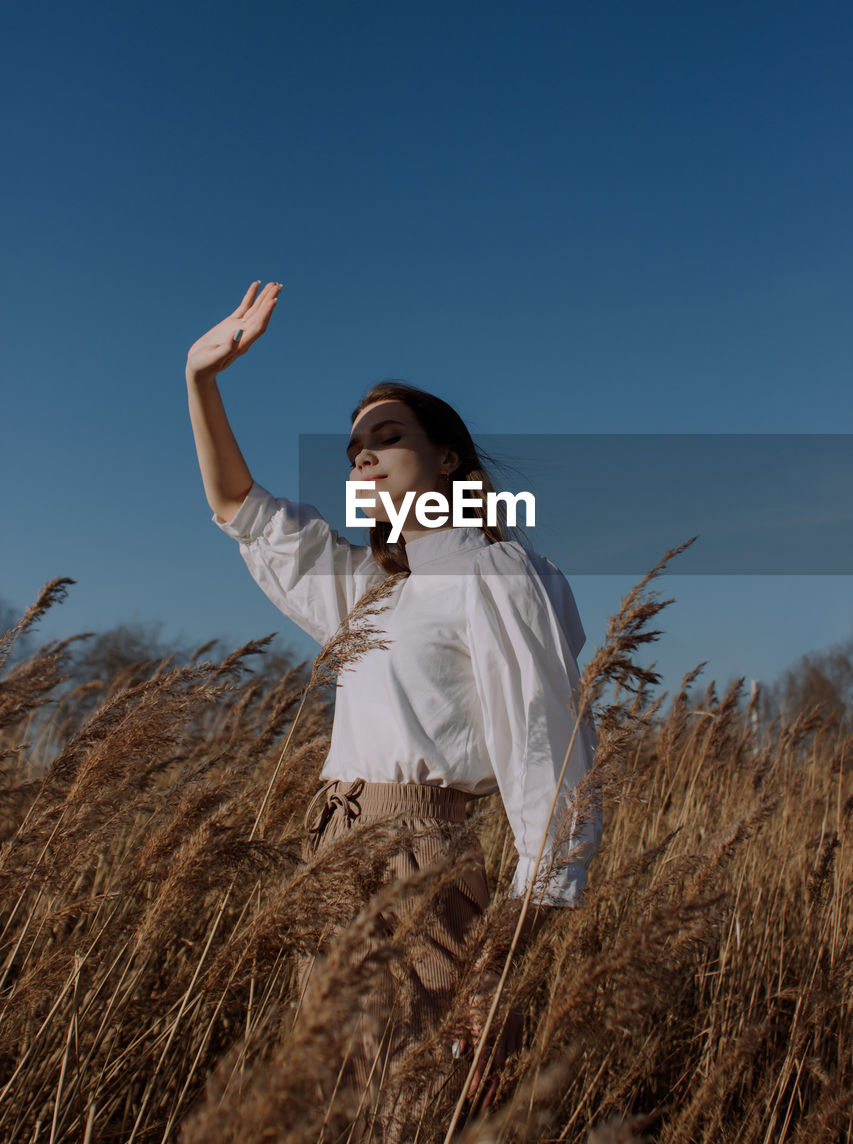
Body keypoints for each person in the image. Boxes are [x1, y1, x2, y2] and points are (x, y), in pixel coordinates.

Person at [185, 280, 602, 1138]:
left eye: (387, 437)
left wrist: (498, 968)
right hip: (333, 851)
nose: (362, 457)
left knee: (409, 1106)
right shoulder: (368, 591)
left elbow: (546, 757)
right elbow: (239, 510)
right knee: (328, 1108)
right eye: (352, 448)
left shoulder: (493, 572)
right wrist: (200, 380)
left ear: (447, 459)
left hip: (424, 859)